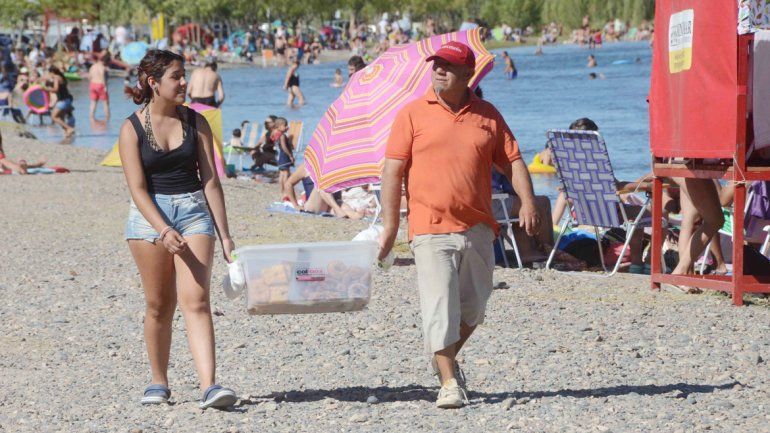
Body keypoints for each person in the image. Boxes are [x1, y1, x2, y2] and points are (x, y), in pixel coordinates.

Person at [378, 41, 539, 409]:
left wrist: (528, 201)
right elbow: (392, 171)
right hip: (429, 226)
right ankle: (449, 382)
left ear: (468, 74)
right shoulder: (411, 114)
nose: (439, 70)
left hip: (479, 226)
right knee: (439, 307)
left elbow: (513, 161)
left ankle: (442, 357)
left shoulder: (488, 114)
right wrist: (389, 228)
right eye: (436, 64)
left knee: (474, 308)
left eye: (448, 66)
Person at [118, 49, 237, 409]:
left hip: (194, 213)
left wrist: (226, 235)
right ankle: (159, 382)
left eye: (184, 75)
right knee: (159, 305)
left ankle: (210, 386)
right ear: (154, 83)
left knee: (197, 301)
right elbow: (137, 189)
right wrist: (163, 229)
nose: (185, 82)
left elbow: (211, 181)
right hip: (149, 218)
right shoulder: (131, 129)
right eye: (176, 76)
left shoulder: (196, 122)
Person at [42, 66, 75, 137]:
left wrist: (46, 89)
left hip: (63, 100)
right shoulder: (60, 77)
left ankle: (69, 128)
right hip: (66, 99)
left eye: (49, 73)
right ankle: (67, 133)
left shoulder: (56, 78)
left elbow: (56, 89)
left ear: (51, 72)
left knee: (53, 116)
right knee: (61, 118)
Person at [273, 117, 294, 197]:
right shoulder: (282, 136)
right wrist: (290, 155)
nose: (286, 127)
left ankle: (282, 190)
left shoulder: (276, 134)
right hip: (284, 156)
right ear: (279, 126)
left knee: (281, 173)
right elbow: (284, 147)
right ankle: (286, 190)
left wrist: (285, 131)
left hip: (279, 156)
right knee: (286, 173)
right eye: (285, 125)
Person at [88, 53, 111, 120]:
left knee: (93, 103)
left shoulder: (93, 66)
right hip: (100, 85)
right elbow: (102, 77)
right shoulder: (102, 67)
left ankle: (91, 118)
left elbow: (89, 77)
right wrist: (105, 87)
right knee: (105, 103)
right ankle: (108, 118)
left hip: (92, 84)